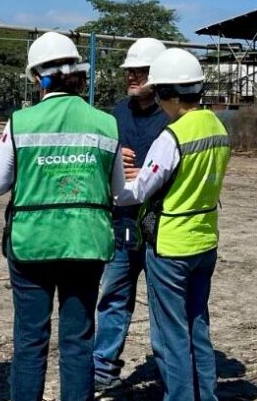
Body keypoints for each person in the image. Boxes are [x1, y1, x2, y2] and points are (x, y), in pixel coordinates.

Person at [0, 31, 126, 401]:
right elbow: (118, 190)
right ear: (79, 73)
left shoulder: (21, 122)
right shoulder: (106, 123)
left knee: (31, 341)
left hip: (32, 244)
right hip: (86, 243)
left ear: (37, 77)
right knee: (78, 341)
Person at [114, 48, 231, 401]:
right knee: (198, 324)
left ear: (169, 94)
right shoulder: (217, 126)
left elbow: (138, 190)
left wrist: (110, 179)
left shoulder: (173, 136)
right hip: (205, 241)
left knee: (170, 333)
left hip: (171, 246)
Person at [93, 37, 170, 391]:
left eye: (139, 71)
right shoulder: (116, 114)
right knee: (114, 296)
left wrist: (147, 175)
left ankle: (168, 372)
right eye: (129, 71)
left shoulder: (171, 116)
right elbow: (99, 163)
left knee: (161, 303)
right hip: (123, 222)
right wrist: (112, 160)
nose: (131, 77)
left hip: (158, 225)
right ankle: (103, 370)